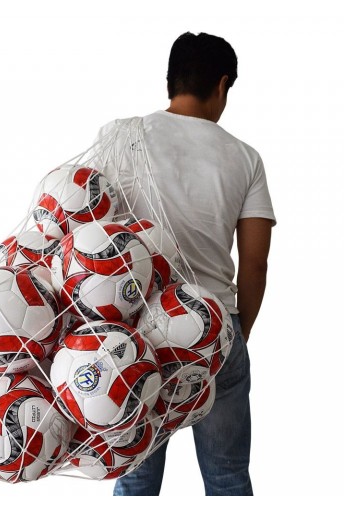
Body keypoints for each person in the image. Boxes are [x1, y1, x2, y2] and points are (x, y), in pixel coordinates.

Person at [95, 31, 276, 496]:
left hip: (136, 331)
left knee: (136, 479)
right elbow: (255, 264)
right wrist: (236, 334)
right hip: (214, 325)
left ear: (170, 81)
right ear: (222, 85)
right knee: (227, 477)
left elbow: (91, 229)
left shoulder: (119, 138)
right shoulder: (245, 158)